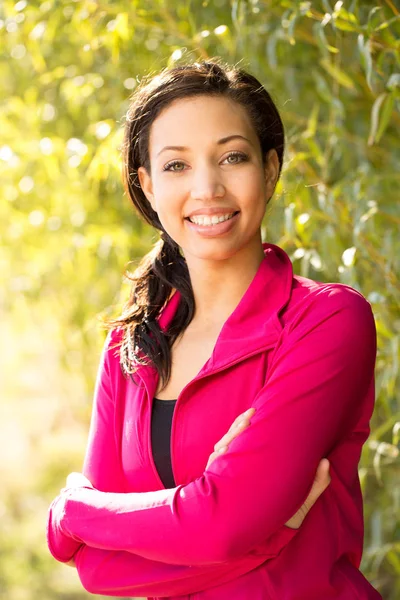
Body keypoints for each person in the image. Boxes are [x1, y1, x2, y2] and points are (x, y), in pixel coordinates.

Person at [46, 59, 381, 599]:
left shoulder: (326, 321)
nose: (208, 188)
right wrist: (262, 540)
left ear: (270, 170)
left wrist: (78, 510)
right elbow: (93, 566)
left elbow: (218, 524)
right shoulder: (128, 346)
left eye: (233, 157)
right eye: (176, 166)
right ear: (148, 186)